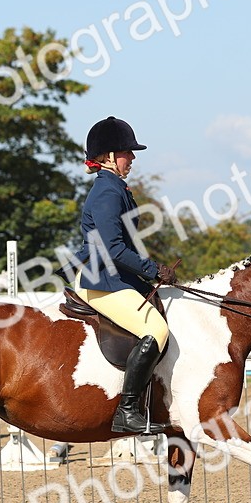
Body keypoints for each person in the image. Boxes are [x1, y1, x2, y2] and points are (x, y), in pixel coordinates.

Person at [70, 116, 177, 433]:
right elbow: (113, 248)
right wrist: (152, 269)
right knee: (156, 330)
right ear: (107, 157)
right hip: (101, 281)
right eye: (126, 152)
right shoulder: (107, 191)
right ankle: (127, 411)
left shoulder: (116, 187)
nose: (132, 157)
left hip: (115, 277)